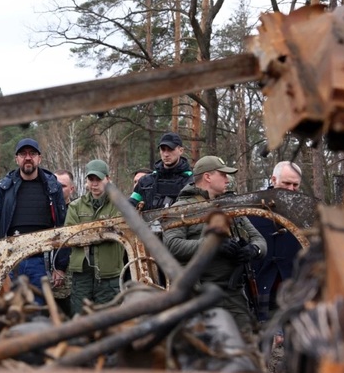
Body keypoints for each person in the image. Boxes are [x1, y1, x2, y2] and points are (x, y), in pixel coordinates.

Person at [163, 155, 266, 335]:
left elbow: (259, 240)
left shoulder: (229, 205)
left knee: (246, 347)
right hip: (197, 295)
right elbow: (172, 245)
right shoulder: (180, 209)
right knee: (201, 353)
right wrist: (212, 245)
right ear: (208, 177)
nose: (228, 179)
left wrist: (252, 250)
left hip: (233, 294)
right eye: (223, 175)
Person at [0, 138, 68, 304]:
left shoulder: (52, 187)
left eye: (32, 153)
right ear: (17, 159)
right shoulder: (4, 187)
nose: (28, 157)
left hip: (41, 261)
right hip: (10, 260)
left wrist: (60, 266)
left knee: (39, 312)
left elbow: (62, 226)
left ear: (39, 158)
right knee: (9, 311)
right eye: (23, 154)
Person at [66, 159, 123, 315]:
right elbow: (71, 236)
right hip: (82, 274)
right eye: (91, 179)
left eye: (99, 179)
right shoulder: (75, 206)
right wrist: (102, 232)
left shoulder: (118, 204)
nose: (95, 183)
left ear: (108, 180)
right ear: (87, 181)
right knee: (80, 318)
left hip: (108, 273)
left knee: (108, 320)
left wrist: (86, 233)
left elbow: (118, 231)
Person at [249, 161, 302, 324]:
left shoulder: (304, 210)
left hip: (293, 286)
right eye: (286, 183)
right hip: (260, 282)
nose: (291, 189)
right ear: (273, 180)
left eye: (295, 185)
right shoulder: (252, 206)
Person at [129, 133, 193, 210]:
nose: (166, 154)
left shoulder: (191, 181)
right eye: (163, 149)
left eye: (170, 149)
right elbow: (129, 207)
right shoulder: (145, 182)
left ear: (181, 150)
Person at [53, 169, 76, 316]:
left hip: (69, 278)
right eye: (55, 185)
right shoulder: (45, 209)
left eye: (62, 186)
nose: (57, 189)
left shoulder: (76, 210)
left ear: (72, 189)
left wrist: (61, 268)